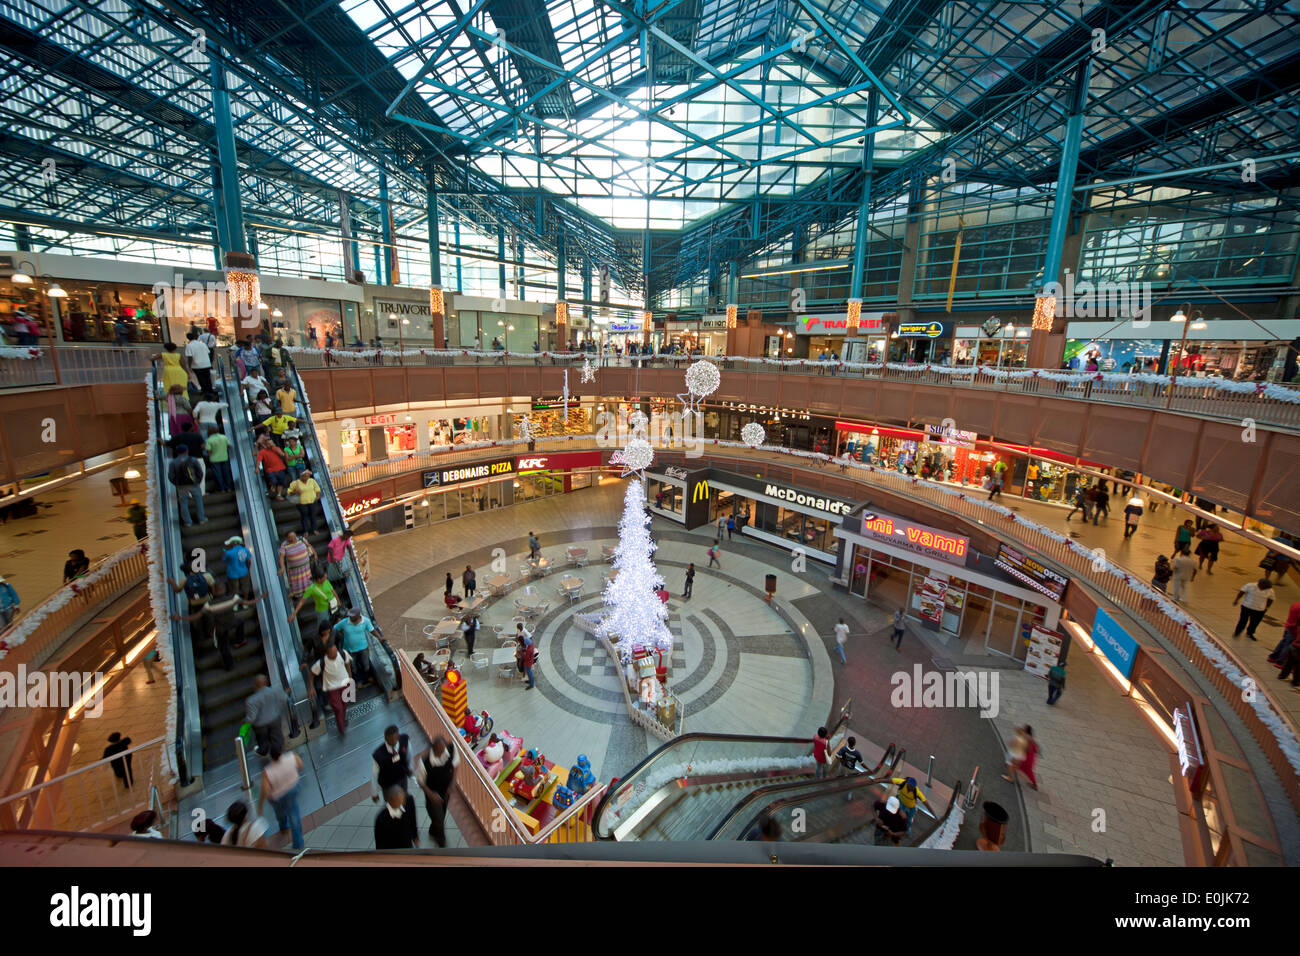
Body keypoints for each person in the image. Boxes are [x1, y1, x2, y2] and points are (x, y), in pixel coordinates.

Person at [257, 744, 304, 851]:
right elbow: (301, 765)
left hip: (277, 797)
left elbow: (266, 791)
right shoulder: (292, 757)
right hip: (293, 789)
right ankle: (298, 843)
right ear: (281, 751)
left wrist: (260, 805)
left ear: (270, 756)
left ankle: (283, 826)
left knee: (280, 812)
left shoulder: (267, 771)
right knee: (294, 814)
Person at [416, 737, 459, 848]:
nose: (443, 753)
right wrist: (431, 794)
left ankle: (433, 830)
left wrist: (453, 782)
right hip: (433, 795)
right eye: (440, 751)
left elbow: (456, 763)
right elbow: (420, 781)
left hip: (446, 792)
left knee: (441, 814)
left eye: (443, 749)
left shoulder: (450, 748)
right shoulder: (424, 762)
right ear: (433, 750)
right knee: (439, 820)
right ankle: (441, 843)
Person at [310, 643, 353, 733]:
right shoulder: (322, 662)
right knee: (338, 708)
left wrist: (350, 677)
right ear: (327, 654)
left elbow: (347, 664)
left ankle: (342, 719)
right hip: (332, 687)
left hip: (344, 683)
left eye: (335, 653)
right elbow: (312, 672)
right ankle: (341, 727)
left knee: (344, 704)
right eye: (332, 655)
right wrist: (311, 687)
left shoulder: (342, 654)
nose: (335, 656)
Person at [244, 674, 288, 756]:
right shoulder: (276, 691)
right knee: (277, 737)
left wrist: (245, 721)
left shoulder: (251, 701)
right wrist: (278, 709)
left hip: (260, 726)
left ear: (255, 685)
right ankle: (278, 752)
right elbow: (285, 699)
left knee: (262, 740)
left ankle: (263, 751)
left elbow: (251, 718)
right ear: (267, 682)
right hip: (275, 719)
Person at [333, 607, 377, 685]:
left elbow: (372, 630)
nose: (350, 617)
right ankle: (358, 681)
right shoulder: (344, 622)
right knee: (353, 667)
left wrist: (380, 638)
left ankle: (367, 678)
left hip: (363, 648)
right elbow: (334, 628)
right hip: (349, 649)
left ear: (357, 615)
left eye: (352, 616)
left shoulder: (365, 621)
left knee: (365, 664)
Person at [166, 444, 207, 526]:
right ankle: (201, 519)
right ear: (187, 451)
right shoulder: (193, 459)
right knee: (198, 501)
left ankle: (188, 522)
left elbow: (170, 476)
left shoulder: (173, 463)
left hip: (181, 486)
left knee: (183, 504)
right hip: (193, 484)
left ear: (177, 452)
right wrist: (197, 481)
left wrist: (176, 483)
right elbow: (200, 472)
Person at [371, 724, 413, 802]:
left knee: (405, 798)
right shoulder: (378, 755)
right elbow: (374, 774)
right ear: (386, 739)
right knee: (392, 803)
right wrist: (374, 793)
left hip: (402, 778)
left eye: (396, 738)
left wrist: (410, 768)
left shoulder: (404, 740)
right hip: (388, 784)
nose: (394, 741)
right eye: (391, 739)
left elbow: (409, 754)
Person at [374, 784, 419, 850]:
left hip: (407, 844)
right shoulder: (382, 819)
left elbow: (412, 818)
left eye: (402, 801)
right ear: (389, 801)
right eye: (397, 803)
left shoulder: (409, 801)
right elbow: (379, 843)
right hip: (392, 848)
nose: (402, 805)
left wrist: (415, 835)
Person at [277, 530, 313, 602]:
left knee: (307, 580)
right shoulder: (284, 545)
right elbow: (281, 557)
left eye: (294, 536)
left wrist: (314, 554)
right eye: (291, 537)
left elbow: (309, 545)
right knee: (297, 583)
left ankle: (308, 593)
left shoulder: (301, 539)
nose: (293, 538)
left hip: (306, 567)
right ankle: (299, 597)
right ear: (287, 538)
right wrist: (282, 567)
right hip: (294, 571)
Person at [1003, 725, 1039, 790]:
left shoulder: (1027, 737)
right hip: (1029, 755)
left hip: (1027, 756)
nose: (1023, 729)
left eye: (1024, 728)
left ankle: (1034, 784)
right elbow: (1035, 748)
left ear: (1026, 730)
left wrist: (1021, 747)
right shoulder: (1030, 737)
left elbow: (1028, 749)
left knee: (1027, 770)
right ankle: (1011, 770)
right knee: (1021, 767)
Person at [287, 469, 322, 535]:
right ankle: (305, 531)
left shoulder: (312, 481)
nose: (306, 478)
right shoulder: (295, 483)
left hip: (312, 501)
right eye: (305, 476)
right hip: (302, 503)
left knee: (313, 516)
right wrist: (295, 492)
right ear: (301, 476)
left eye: (308, 476)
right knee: (304, 516)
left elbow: (317, 489)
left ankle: (314, 529)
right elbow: (289, 491)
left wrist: (317, 496)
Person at [184, 330, 214, 394]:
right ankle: (210, 389)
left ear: (188, 338)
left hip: (197, 365)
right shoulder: (202, 344)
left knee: (201, 378)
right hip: (206, 363)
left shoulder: (189, 346)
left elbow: (190, 357)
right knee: (207, 377)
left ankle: (205, 391)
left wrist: (189, 365)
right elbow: (208, 352)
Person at [205, 427, 233, 492]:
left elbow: (208, 451)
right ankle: (229, 487)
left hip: (214, 459)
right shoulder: (224, 437)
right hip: (224, 457)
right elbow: (229, 446)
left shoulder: (209, 440)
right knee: (226, 473)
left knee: (218, 474)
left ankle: (221, 488)